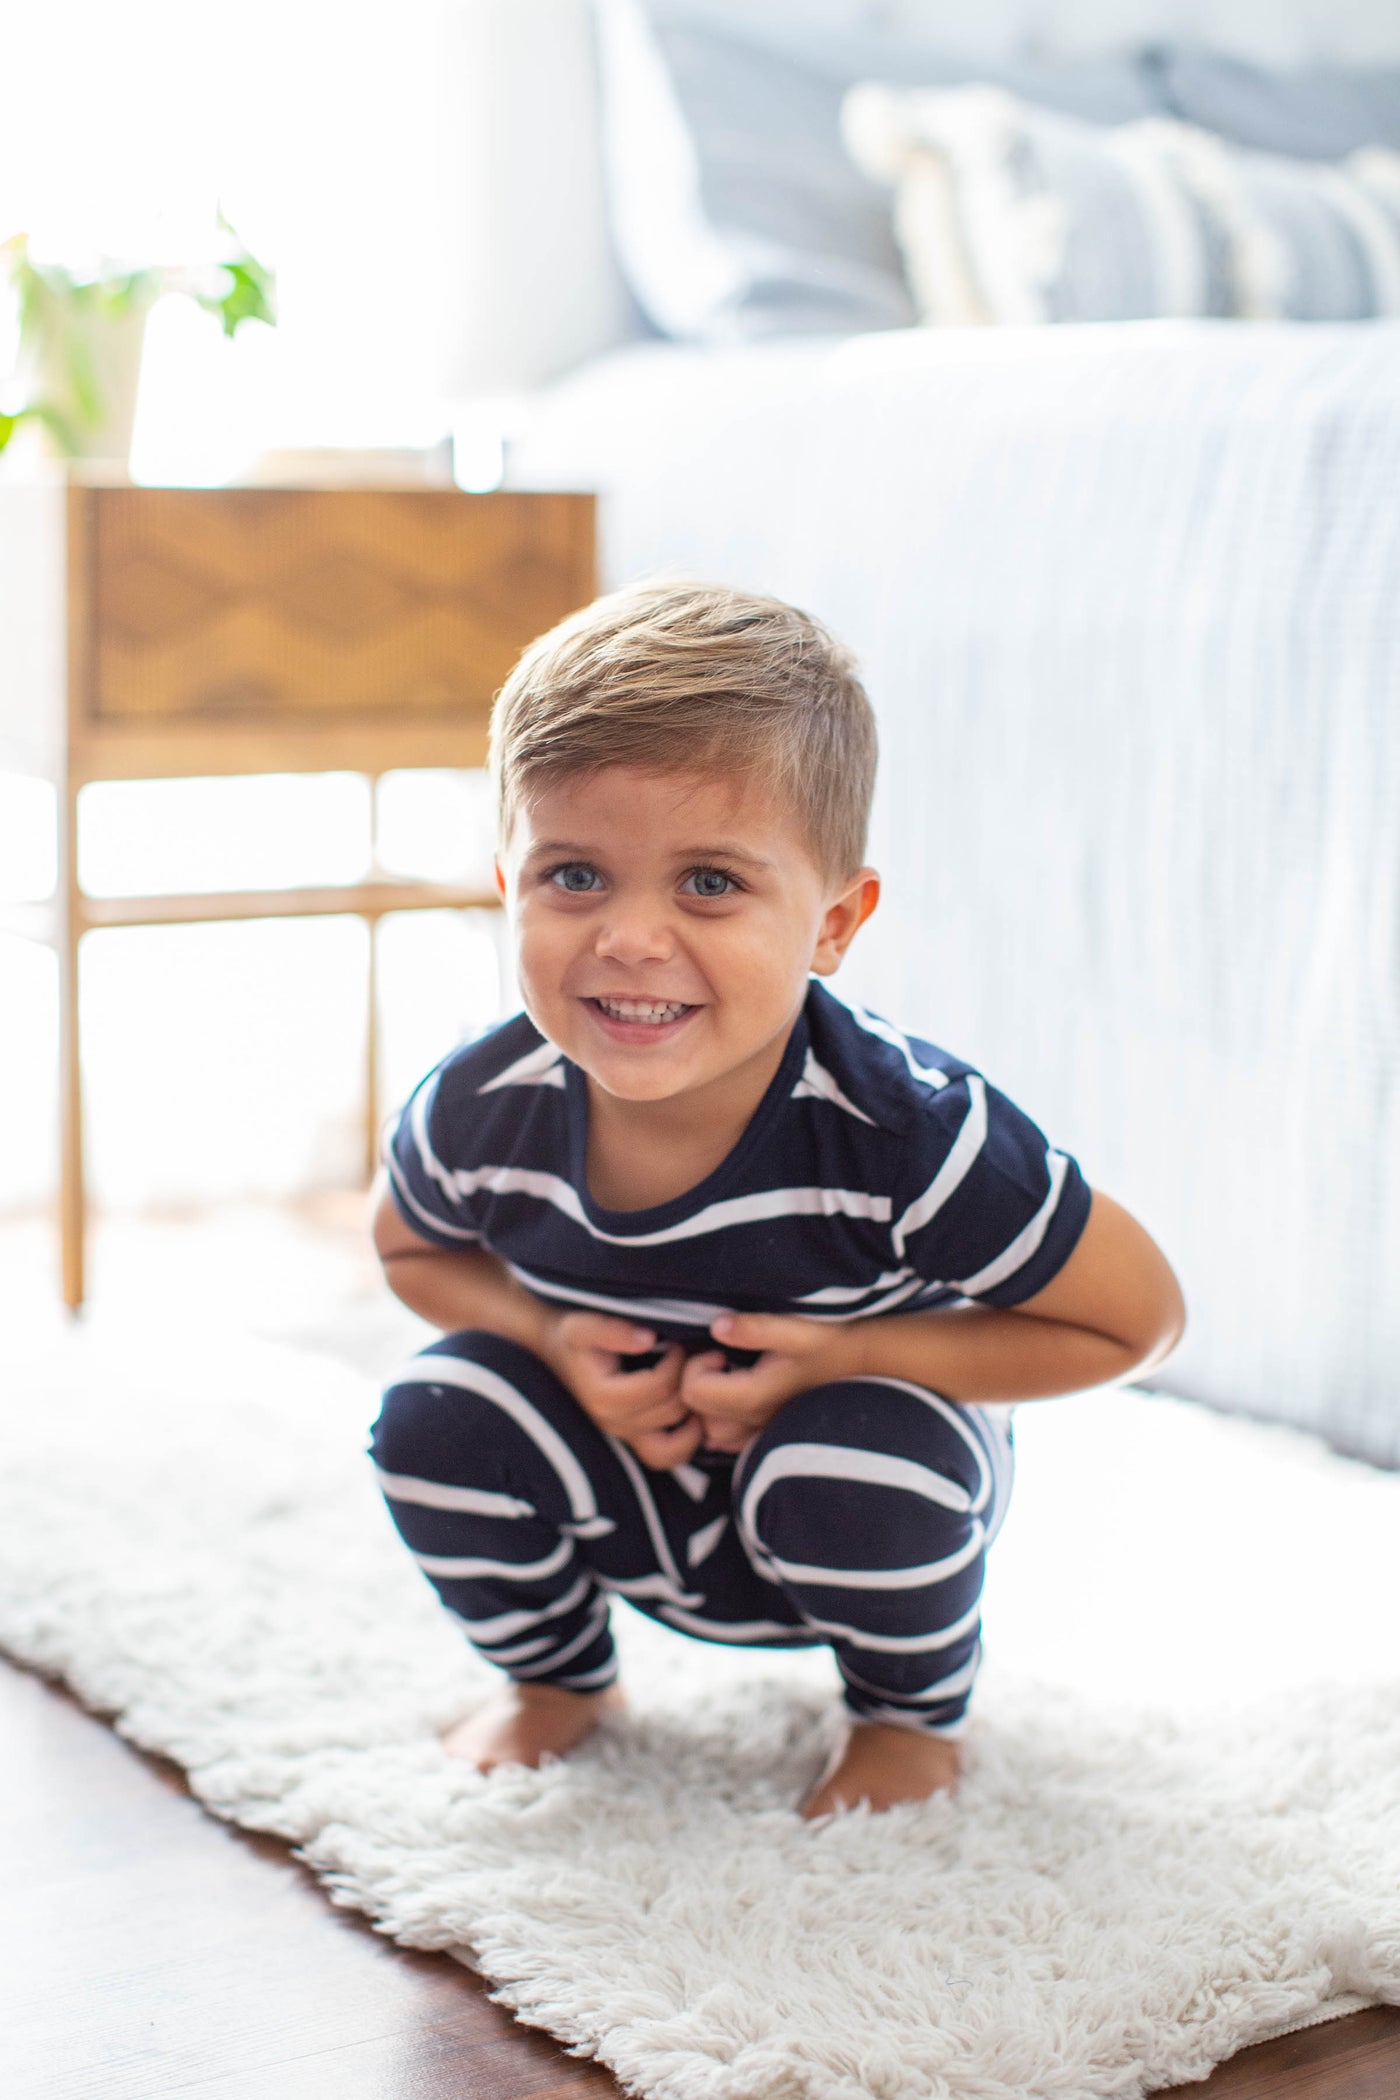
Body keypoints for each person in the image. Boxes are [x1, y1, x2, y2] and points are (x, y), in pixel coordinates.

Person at [368, 578, 1185, 1818]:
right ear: (505, 884)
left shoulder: (910, 1132)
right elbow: (408, 1250)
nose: (630, 937)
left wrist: (842, 1354)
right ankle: (560, 1680)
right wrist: (551, 1340)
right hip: (631, 1481)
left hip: (843, 1492)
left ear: (833, 922)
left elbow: (1139, 1320)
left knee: (861, 1459)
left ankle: (908, 1716)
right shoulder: (484, 1102)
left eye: (708, 884)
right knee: (432, 1410)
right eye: (574, 876)